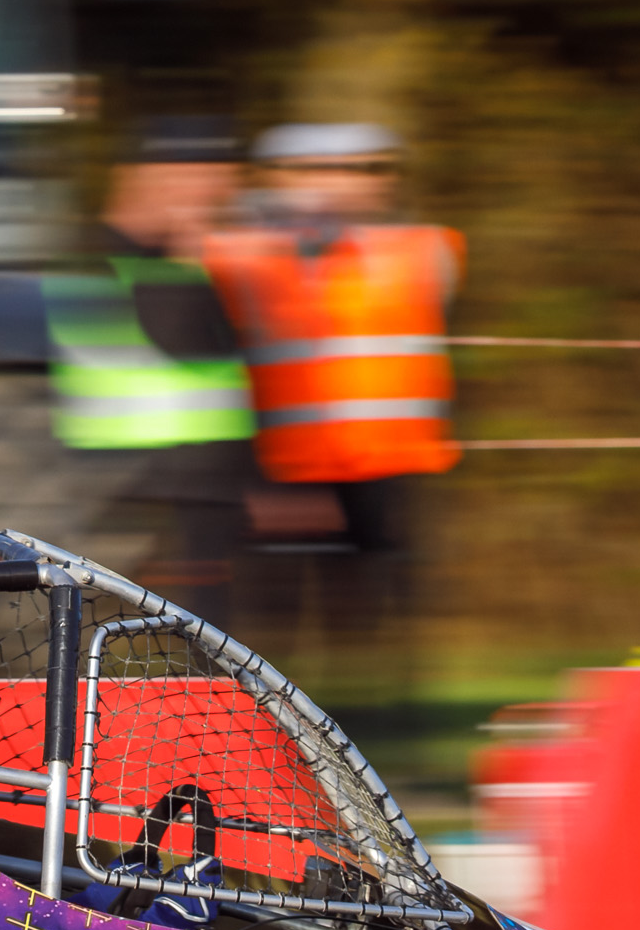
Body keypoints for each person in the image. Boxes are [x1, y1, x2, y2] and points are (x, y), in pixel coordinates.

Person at [202, 123, 463, 626]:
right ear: (276, 178)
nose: (340, 182)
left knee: (378, 619)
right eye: (314, 170)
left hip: (390, 466)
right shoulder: (240, 250)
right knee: (274, 621)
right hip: (282, 467)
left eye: (365, 169)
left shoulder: (425, 248)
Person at [42, 118, 256, 629]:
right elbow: (178, 340)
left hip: (192, 485)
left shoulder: (164, 258)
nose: (213, 196)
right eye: (196, 177)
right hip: (129, 487)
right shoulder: (98, 257)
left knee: (203, 641)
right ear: (140, 177)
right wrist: (193, 258)